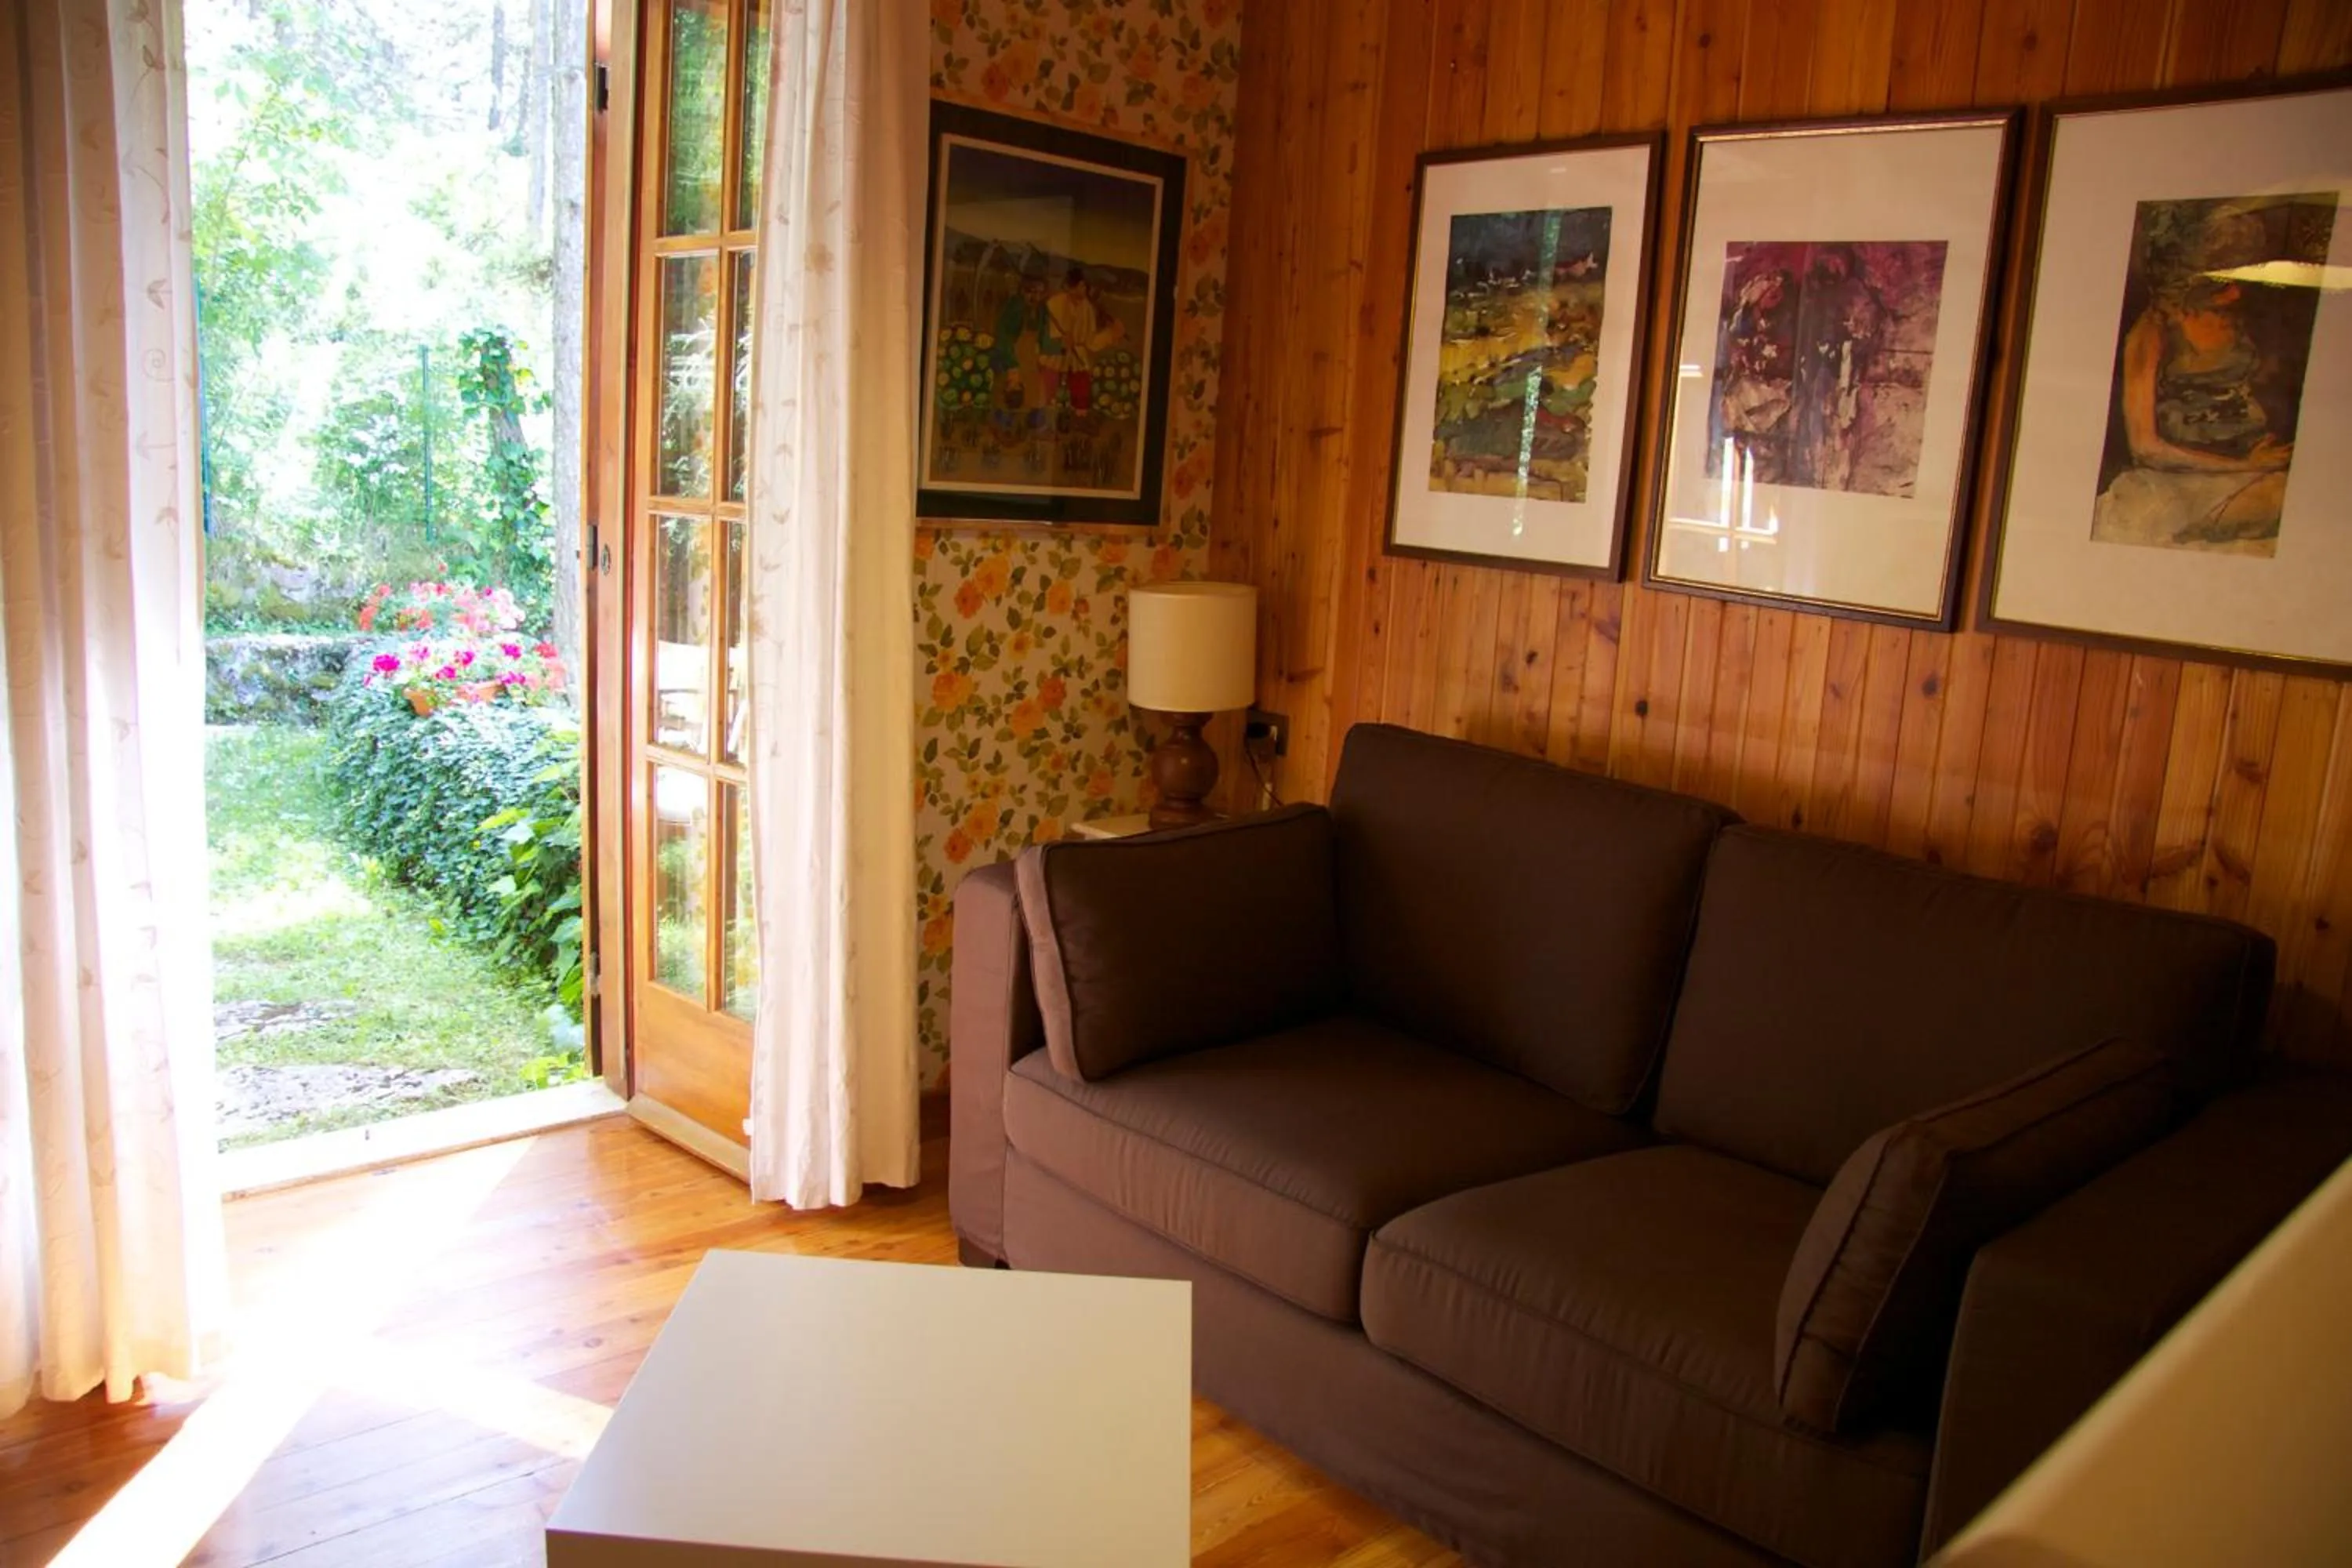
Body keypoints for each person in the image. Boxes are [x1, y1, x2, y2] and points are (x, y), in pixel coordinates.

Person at [2092, 204, 2296, 554]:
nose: (2235, 291)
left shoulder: (2232, 317)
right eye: (2219, 280)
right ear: (2186, 277)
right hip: (2180, 481)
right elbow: (2146, 447)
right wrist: (2245, 466)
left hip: (2249, 463)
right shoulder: (2152, 332)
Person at [1041, 267, 1124, 417]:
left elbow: (1091, 342)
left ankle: (1079, 419)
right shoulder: (1054, 304)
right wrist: (1061, 341)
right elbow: (1046, 336)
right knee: (1050, 396)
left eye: (1085, 286)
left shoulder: (1088, 309)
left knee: (1081, 392)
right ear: (1072, 287)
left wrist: (1111, 334)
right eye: (1081, 285)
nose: (1084, 289)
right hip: (1054, 357)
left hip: (1077, 360)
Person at [991, 271, 1051, 413]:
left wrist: (1043, 352)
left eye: (1040, 293)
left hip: (1031, 362)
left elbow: (1044, 333)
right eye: (1032, 292)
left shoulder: (1041, 309)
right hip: (1011, 360)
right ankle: (1004, 426)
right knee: (1008, 397)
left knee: (1034, 397)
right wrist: (1011, 365)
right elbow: (1003, 336)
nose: (1035, 297)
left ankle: (1028, 428)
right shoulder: (1015, 306)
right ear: (1023, 290)